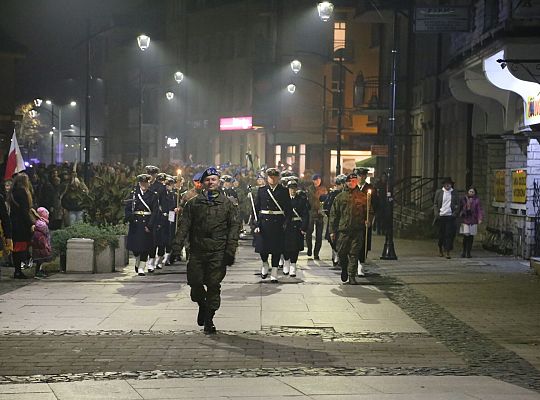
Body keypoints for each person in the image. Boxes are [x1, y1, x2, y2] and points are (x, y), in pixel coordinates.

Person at [172, 167, 239, 334]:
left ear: (218, 182)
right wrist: (176, 247)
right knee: (195, 283)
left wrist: (230, 250)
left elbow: (234, 229)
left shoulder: (227, 204)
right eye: (207, 180)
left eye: (214, 179)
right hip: (197, 250)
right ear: (202, 183)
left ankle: (209, 319)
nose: (210, 182)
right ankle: (202, 305)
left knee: (213, 285)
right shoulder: (193, 204)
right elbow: (184, 226)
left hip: (218, 251)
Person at [329, 172, 374, 285]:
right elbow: (334, 215)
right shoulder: (340, 197)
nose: (352, 183)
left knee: (354, 254)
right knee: (342, 253)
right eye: (350, 181)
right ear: (347, 183)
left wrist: (368, 220)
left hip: (357, 230)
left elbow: (369, 211)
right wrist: (332, 231)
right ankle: (344, 268)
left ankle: (351, 276)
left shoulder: (363, 197)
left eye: (354, 181)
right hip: (343, 230)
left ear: (356, 182)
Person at [254, 167, 292, 283]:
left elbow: (288, 209)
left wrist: (286, 223)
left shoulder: (284, 191)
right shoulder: (262, 191)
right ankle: (265, 264)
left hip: (278, 223)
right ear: (267, 178)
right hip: (264, 223)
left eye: (275, 177)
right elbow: (255, 209)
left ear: (278, 178)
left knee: (276, 248)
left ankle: (274, 270)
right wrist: (255, 224)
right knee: (263, 248)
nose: (272, 179)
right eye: (270, 177)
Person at [125, 174, 158, 276]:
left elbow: (155, 211)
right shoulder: (133, 194)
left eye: (146, 183)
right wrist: (130, 218)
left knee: (145, 246)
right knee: (136, 248)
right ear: (139, 183)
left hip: (146, 223)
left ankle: (142, 267)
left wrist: (150, 225)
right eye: (142, 183)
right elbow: (128, 208)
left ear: (149, 183)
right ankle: (138, 259)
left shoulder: (153, 195)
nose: (144, 185)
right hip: (136, 222)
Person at [8, 173, 35, 279]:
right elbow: (24, 211)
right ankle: (18, 271)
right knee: (21, 248)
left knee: (16, 248)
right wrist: (31, 223)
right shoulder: (22, 192)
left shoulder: (13, 192)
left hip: (14, 222)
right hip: (21, 224)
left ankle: (17, 270)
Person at [283, 180, 309, 277]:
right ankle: (286, 262)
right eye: (291, 188)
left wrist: (304, 227)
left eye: (294, 188)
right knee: (285, 246)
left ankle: (293, 265)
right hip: (287, 226)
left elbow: (305, 214)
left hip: (297, 226)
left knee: (295, 247)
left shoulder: (301, 200)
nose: (292, 190)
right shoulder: (284, 200)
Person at [354, 168, 377, 276]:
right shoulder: (352, 187)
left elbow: (375, 205)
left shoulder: (370, 188)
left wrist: (370, 219)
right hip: (353, 220)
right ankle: (353, 263)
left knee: (364, 242)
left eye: (364, 175)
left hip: (365, 219)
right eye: (360, 175)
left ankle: (361, 264)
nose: (362, 177)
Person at [323, 174, 347, 267]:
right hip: (334, 221)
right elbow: (327, 206)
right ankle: (335, 253)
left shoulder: (347, 194)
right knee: (332, 240)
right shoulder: (333, 194)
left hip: (344, 220)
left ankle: (340, 256)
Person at [433, 177, 460, 259]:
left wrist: (455, 213)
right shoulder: (439, 192)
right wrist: (436, 213)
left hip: (450, 216)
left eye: (449, 184)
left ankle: (447, 251)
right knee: (441, 234)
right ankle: (440, 249)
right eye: (446, 184)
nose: (447, 185)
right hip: (441, 216)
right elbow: (435, 204)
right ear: (444, 184)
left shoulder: (454, 193)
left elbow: (458, 204)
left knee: (449, 234)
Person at [154, 175, 177, 269]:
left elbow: (173, 206)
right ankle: (158, 258)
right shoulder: (160, 193)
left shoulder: (173, 195)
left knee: (169, 238)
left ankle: (166, 257)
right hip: (161, 218)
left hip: (170, 218)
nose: (169, 186)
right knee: (160, 240)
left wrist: (175, 210)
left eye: (170, 184)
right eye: (168, 184)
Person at [306, 173, 327, 259]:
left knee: (319, 235)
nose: (317, 181)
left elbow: (325, 201)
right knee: (309, 233)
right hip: (311, 213)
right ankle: (309, 249)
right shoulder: (309, 189)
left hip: (320, 214)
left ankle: (316, 253)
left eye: (318, 179)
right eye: (315, 180)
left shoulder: (323, 189)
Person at [459, 187, 483, 258]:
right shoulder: (464, 199)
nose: (471, 193)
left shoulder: (477, 200)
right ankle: (464, 251)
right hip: (465, 220)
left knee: (471, 237)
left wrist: (480, 218)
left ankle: (468, 252)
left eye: (473, 192)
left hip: (473, 220)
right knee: (466, 236)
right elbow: (461, 208)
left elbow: (479, 210)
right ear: (468, 192)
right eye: (470, 191)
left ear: (475, 193)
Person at [32, 207, 52, 278]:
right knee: (41, 258)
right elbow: (46, 234)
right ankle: (38, 272)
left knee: (38, 258)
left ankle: (38, 271)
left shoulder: (37, 222)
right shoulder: (43, 224)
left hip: (37, 244)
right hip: (42, 243)